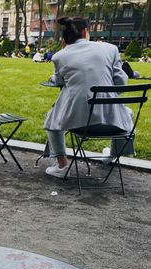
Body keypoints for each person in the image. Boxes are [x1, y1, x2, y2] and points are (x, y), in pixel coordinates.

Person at [43, 16, 132, 178]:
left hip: (78, 124)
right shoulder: (110, 49)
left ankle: (62, 166)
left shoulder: (59, 56)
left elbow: (60, 80)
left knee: (51, 119)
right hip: (114, 123)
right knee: (128, 112)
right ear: (85, 31)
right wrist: (109, 96)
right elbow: (121, 81)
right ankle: (113, 155)